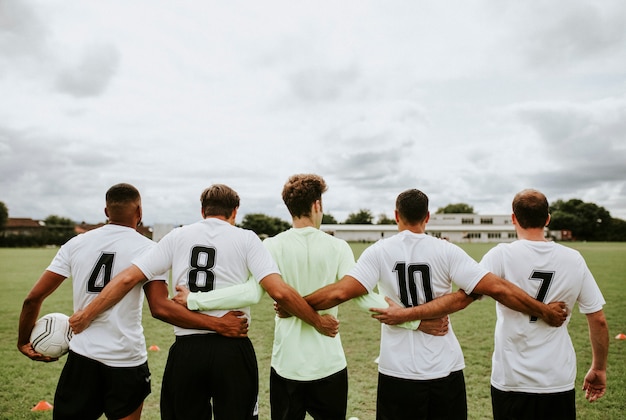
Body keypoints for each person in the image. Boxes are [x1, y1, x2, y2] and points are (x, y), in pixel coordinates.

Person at [69, 183, 339, 420]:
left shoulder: (177, 236)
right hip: (233, 348)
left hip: (188, 350)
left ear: (202, 211)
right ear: (235, 212)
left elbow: (128, 279)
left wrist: (87, 314)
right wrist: (317, 321)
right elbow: (279, 292)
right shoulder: (247, 238)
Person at [172, 174, 431, 420]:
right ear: (317, 204)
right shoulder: (338, 247)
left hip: (287, 366)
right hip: (329, 364)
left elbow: (250, 293)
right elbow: (361, 297)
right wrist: (414, 320)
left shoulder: (271, 245)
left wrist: (194, 299)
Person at [302, 188, 568, 420]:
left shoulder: (379, 251)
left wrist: (297, 305)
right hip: (445, 368)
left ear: (396, 216)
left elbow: (339, 293)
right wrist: (544, 310)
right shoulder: (446, 250)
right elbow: (497, 288)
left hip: (398, 371)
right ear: (427, 217)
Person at [17, 183, 246, 420]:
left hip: (83, 356)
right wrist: (218, 324)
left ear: (106, 212)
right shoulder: (148, 249)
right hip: (126, 359)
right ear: (139, 212)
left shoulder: (76, 243)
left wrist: (23, 341)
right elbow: (159, 307)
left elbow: (32, 299)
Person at [479, 189, 608, 419]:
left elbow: (467, 293)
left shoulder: (500, 255)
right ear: (547, 218)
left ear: (513, 218)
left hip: (511, 380)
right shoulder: (573, 259)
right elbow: (598, 319)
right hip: (556, 379)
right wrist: (598, 368)